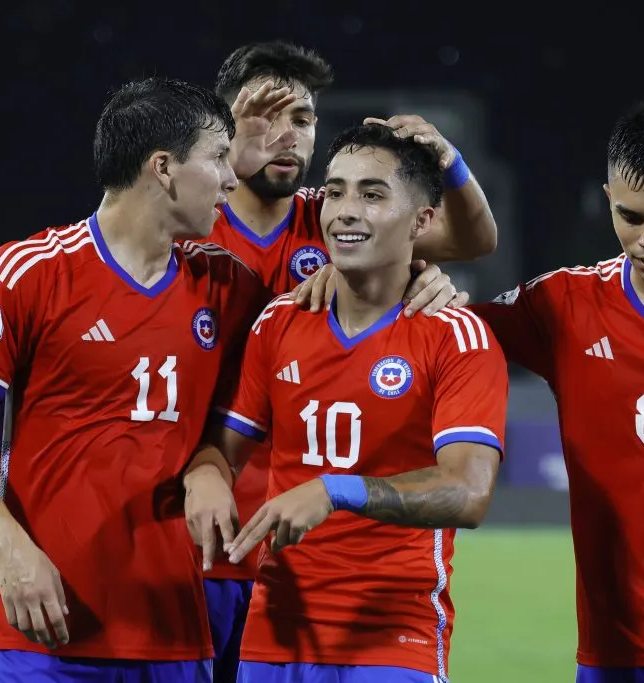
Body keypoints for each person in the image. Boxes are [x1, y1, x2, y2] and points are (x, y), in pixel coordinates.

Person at [295, 100, 644, 682]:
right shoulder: (562, 305)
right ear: (607, 197)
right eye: (630, 215)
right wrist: (394, 277)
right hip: (612, 644)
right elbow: (445, 331)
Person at [0, 77, 271, 683]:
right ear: (163, 167)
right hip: (35, 633)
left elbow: (254, 397)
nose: (233, 181)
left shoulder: (228, 286)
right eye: (218, 158)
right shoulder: (27, 274)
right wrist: (12, 550)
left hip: (172, 635)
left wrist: (423, 279)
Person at [195, 40, 495, 683]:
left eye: (300, 120)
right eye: (261, 117)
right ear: (220, 130)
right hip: (209, 536)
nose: (284, 136)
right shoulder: (188, 227)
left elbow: (471, 238)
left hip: (318, 551)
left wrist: (449, 170)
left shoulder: (329, 217)